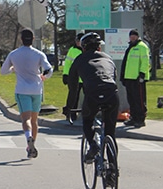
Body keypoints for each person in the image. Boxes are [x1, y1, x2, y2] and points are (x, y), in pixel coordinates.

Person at [0, 28, 53, 159]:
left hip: (22, 90)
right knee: (34, 120)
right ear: (33, 39)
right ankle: (31, 146)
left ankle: (28, 137)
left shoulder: (14, 54)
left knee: (26, 119)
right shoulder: (39, 54)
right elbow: (48, 69)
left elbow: (3, 71)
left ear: (21, 39)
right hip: (36, 90)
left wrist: (12, 69)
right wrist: (44, 76)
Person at [68, 32, 119, 163]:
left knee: (87, 121)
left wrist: (69, 108)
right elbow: (114, 77)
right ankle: (112, 168)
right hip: (111, 93)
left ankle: (93, 145)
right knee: (110, 133)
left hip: (92, 94)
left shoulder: (79, 60)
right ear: (99, 47)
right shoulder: (108, 58)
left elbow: (73, 88)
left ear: (83, 48)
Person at [120, 29, 150, 128]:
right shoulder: (131, 47)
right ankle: (133, 117)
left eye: (134, 35)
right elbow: (126, 63)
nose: (132, 37)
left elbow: (145, 62)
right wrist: (123, 76)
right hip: (129, 77)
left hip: (137, 78)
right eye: (131, 36)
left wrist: (142, 74)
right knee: (131, 99)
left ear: (137, 36)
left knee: (139, 100)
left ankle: (141, 119)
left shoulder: (142, 46)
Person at [62, 33, 84, 124]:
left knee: (90, 96)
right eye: (77, 41)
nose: (78, 42)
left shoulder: (87, 49)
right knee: (73, 97)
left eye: (79, 41)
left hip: (85, 78)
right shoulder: (72, 50)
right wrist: (65, 74)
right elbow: (67, 63)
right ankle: (70, 113)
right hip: (74, 78)